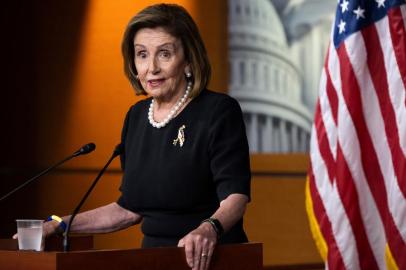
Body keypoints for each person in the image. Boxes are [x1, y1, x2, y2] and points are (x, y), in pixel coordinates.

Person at [16, 4, 251, 270]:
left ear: (188, 60)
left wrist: (209, 228)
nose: (152, 67)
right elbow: (128, 209)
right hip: (153, 260)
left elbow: (236, 197)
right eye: (142, 55)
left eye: (164, 54)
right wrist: (59, 224)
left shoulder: (218, 111)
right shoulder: (137, 117)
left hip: (210, 258)